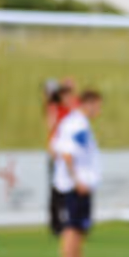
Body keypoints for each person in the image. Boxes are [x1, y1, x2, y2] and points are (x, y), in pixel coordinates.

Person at [52, 89, 103, 257]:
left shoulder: (80, 124)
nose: (98, 110)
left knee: (80, 228)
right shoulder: (76, 124)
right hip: (74, 186)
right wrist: (77, 180)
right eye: (97, 105)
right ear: (88, 103)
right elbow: (66, 154)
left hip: (81, 184)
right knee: (72, 229)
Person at [46, 79, 78, 235]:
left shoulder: (73, 108)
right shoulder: (55, 108)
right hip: (58, 151)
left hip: (71, 152)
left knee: (72, 187)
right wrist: (52, 147)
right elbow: (52, 127)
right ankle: (56, 223)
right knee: (56, 188)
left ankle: (72, 220)